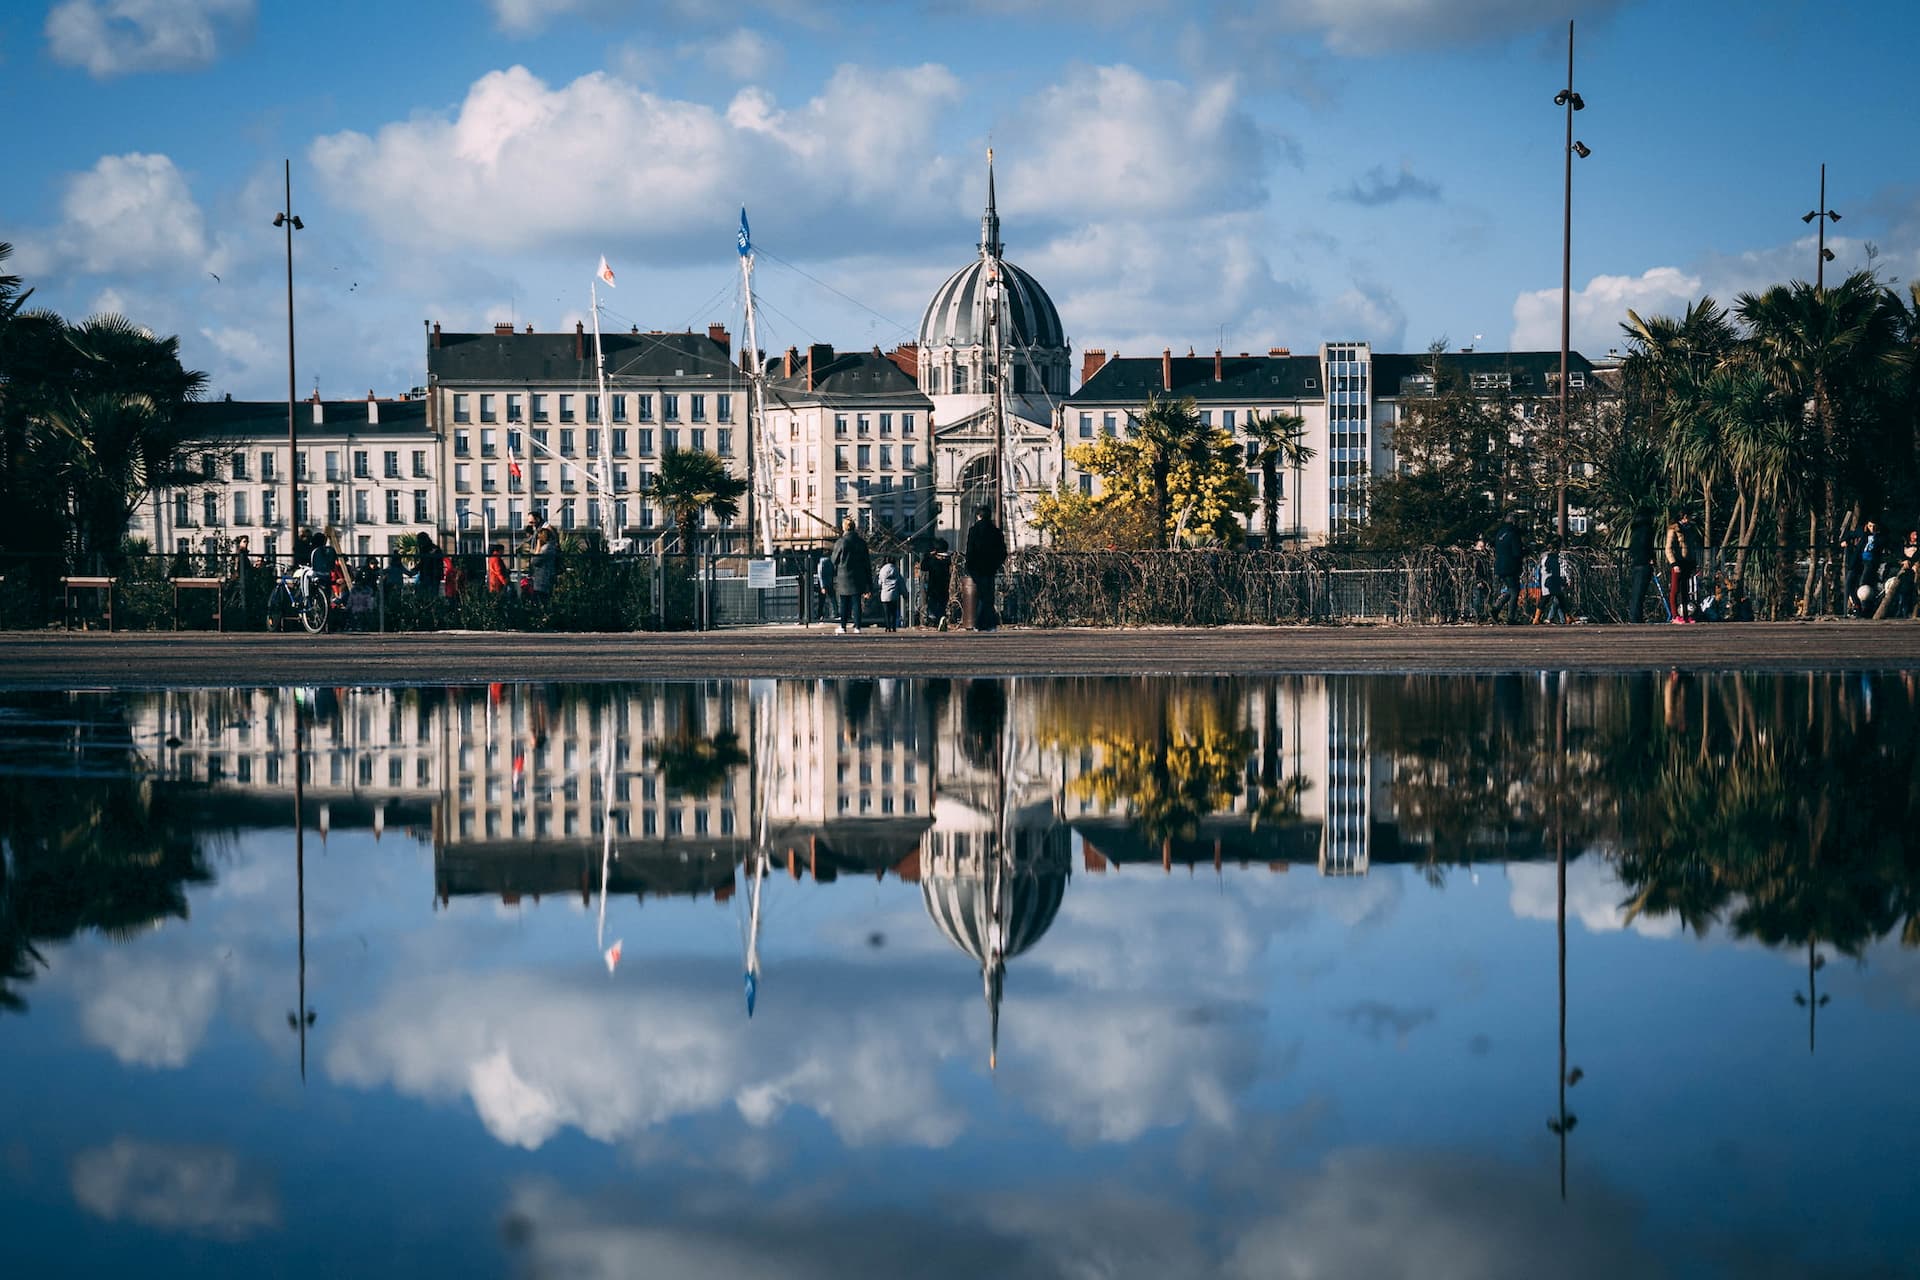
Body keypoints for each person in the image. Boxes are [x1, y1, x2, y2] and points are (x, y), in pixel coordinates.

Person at [964, 504, 1009, 632]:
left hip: (976, 568)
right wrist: (996, 564)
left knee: (982, 595)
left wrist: (969, 566)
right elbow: (1002, 551)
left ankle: (981, 623)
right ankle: (988, 623)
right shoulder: (996, 531)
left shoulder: (973, 530)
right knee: (988, 595)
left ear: (978, 516)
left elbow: (970, 550)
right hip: (990, 567)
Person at [830, 518, 873, 634]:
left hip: (843, 576)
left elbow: (834, 560)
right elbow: (866, 562)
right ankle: (857, 627)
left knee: (843, 602)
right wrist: (869, 583)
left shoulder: (841, 542)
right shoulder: (861, 542)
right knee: (856, 602)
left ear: (844, 528)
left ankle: (843, 626)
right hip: (858, 575)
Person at [1666, 514, 1701, 624]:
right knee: (1675, 590)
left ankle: (1685, 615)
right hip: (1677, 563)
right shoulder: (1674, 529)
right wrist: (1674, 563)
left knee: (1685, 590)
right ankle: (1674, 615)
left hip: (1687, 562)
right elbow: (1668, 548)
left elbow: (1691, 546)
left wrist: (1693, 561)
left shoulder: (1689, 529)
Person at [1489, 517, 1523, 624]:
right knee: (1515, 592)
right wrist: (1525, 552)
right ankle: (1511, 617)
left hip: (1499, 566)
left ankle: (1496, 608)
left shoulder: (1500, 533)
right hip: (1510, 566)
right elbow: (1516, 552)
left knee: (1511, 590)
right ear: (1514, 522)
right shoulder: (1513, 534)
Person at [917, 538, 954, 630]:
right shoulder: (948, 561)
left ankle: (937, 621)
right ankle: (942, 619)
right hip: (945, 587)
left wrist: (928, 555)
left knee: (933, 606)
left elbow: (923, 567)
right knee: (942, 605)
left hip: (933, 588)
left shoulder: (933, 562)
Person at [1625, 511, 1655, 623]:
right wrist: (1649, 558)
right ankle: (1636, 618)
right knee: (1639, 593)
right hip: (1644, 563)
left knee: (1636, 592)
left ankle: (1635, 616)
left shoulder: (1635, 531)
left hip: (1637, 563)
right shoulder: (1646, 531)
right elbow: (1645, 546)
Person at [1537, 545, 1570, 625]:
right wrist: (1560, 581)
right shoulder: (1549, 558)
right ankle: (1537, 618)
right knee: (1546, 598)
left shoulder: (1550, 557)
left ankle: (1567, 617)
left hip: (1551, 580)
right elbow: (1550, 570)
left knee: (1560, 598)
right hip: (1550, 580)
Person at [529, 526, 558, 601]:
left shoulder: (546, 548)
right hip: (546, 578)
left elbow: (534, 561)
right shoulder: (552, 547)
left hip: (542, 580)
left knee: (539, 600)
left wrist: (538, 548)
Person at [876, 557, 902, 632]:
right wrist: (904, 593)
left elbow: (879, 582)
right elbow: (900, 582)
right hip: (894, 594)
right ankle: (893, 626)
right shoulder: (896, 570)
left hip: (885, 594)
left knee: (886, 612)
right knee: (893, 612)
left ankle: (887, 627)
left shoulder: (882, 570)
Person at [415, 530, 445, 596]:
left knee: (429, 595)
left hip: (431, 575)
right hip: (430, 575)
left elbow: (425, 561)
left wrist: (416, 568)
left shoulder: (432, 549)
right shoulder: (433, 548)